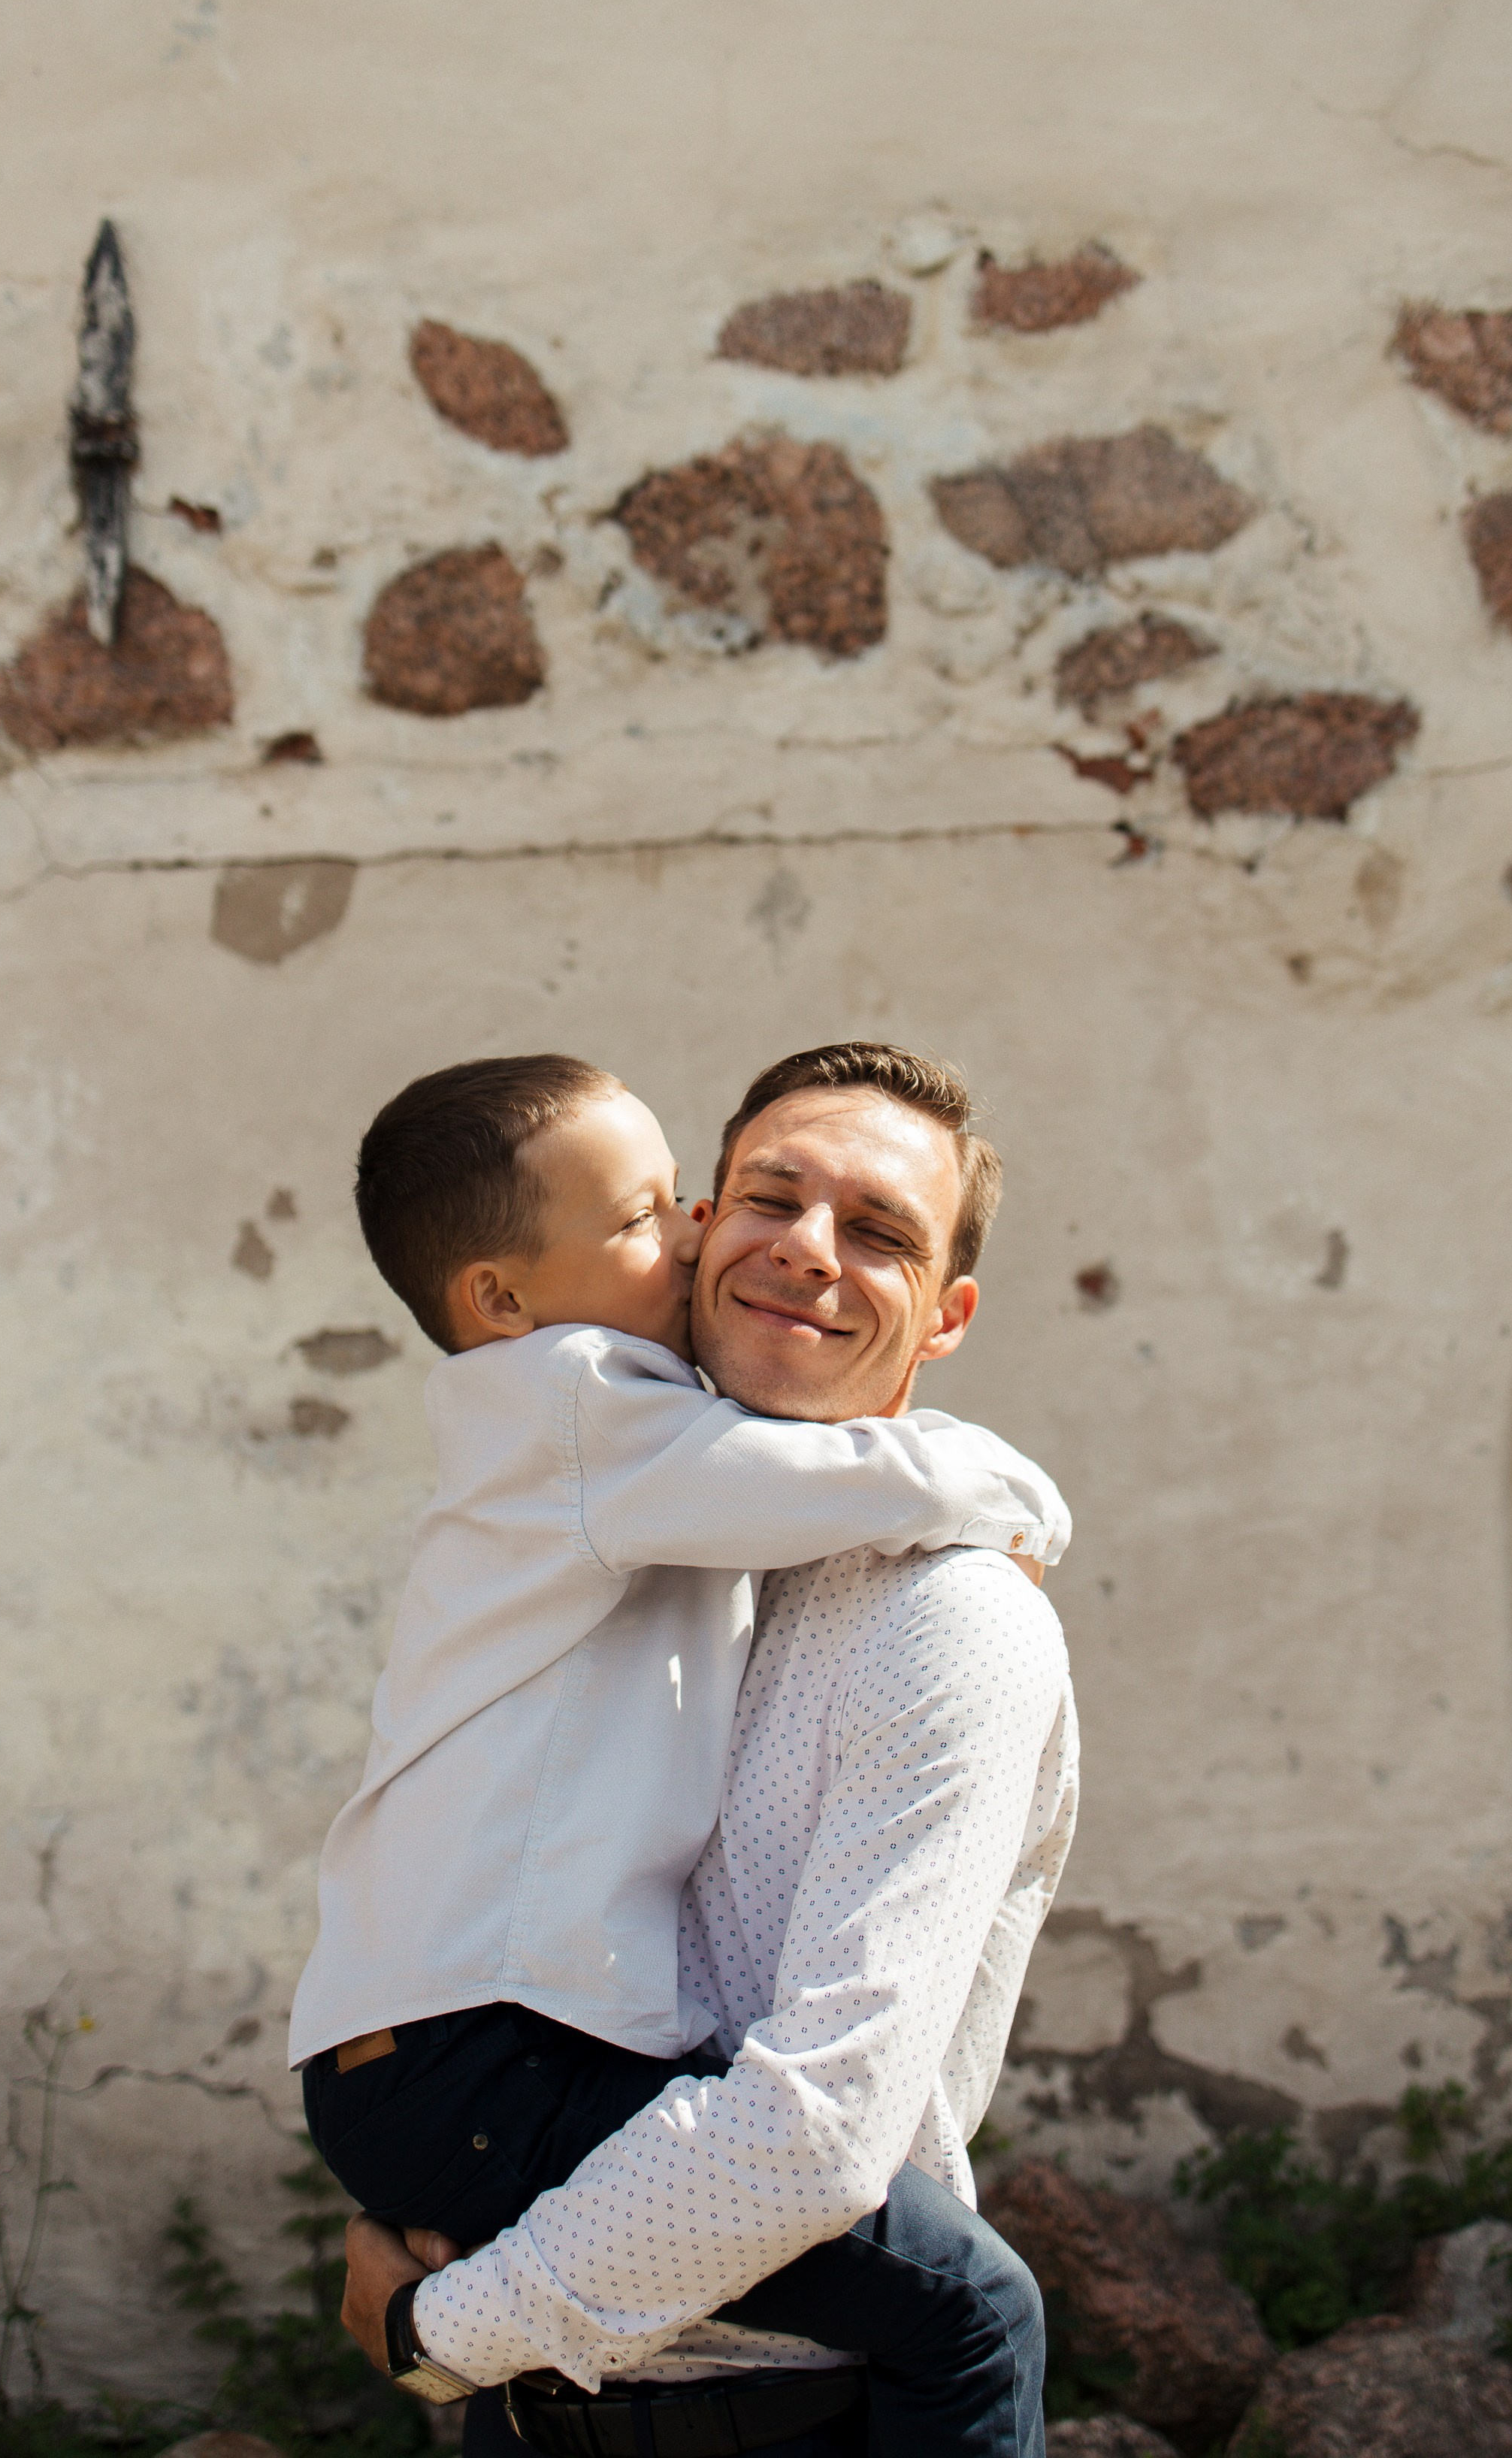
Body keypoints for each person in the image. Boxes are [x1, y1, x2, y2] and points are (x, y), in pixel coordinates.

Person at [290, 1050, 1070, 2458]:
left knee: (973, 2308)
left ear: (945, 1314)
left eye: (881, 1231)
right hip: (550, 2358)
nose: (783, 1247)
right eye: (751, 1199)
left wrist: (440, 2330)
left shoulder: (940, 1615)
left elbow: (818, 2130)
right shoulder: (634, 1473)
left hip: (766, 2413)